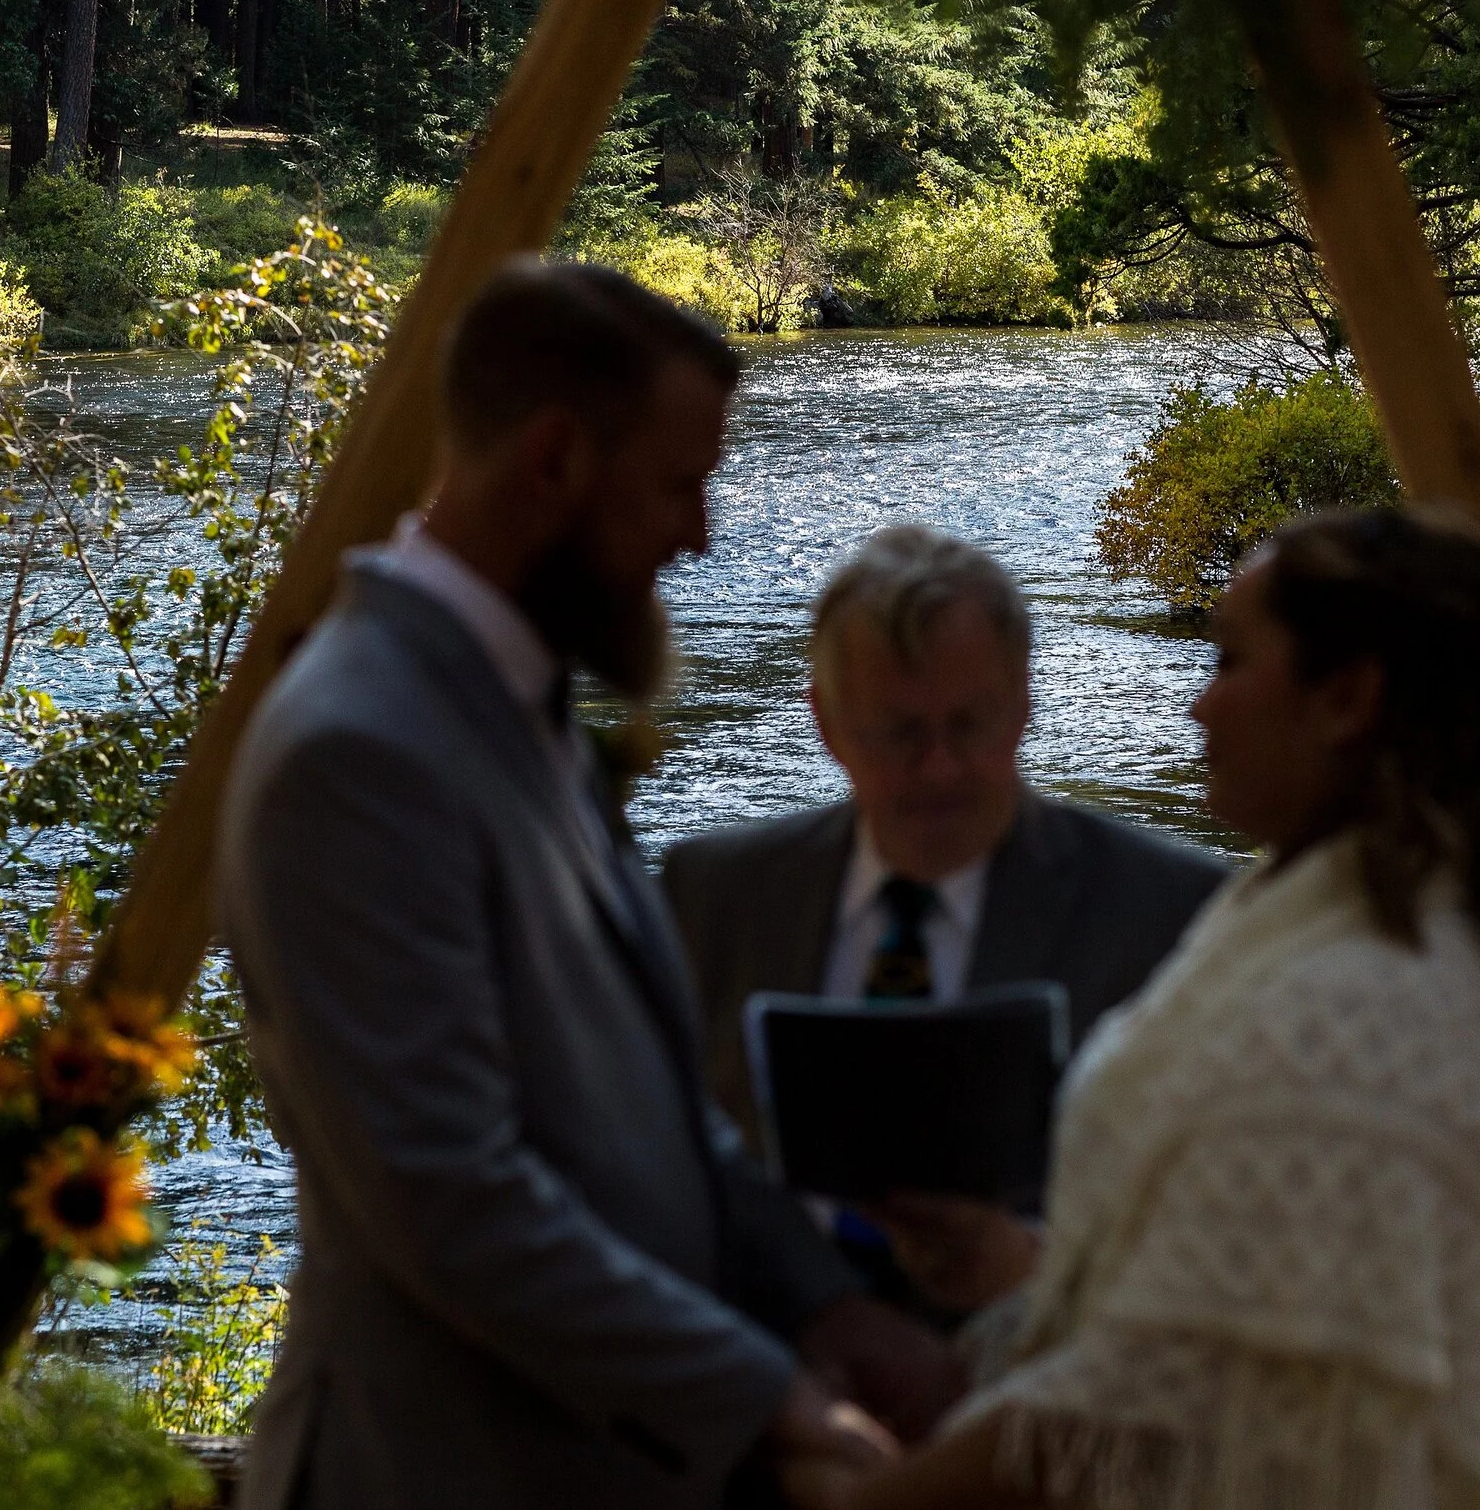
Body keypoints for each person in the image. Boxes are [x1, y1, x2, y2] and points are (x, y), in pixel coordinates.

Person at [217, 259, 956, 1510]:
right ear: (554, 458)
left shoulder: (515, 701)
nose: (699, 534)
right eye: (677, 484)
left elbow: (655, 1111)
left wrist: (831, 1311)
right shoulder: (357, 752)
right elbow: (448, 1197)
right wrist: (768, 1398)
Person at [787, 505, 1480, 1510]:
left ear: (1346, 698)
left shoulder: (1359, 1008)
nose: (1197, 705)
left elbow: (1135, 1412)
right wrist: (1014, 1278)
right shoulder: (1312, 930)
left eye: (1229, 660)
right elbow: (1216, 1336)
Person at [660, 525, 1224, 1309]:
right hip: (771, 1356)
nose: (940, 767)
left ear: (1023, 703)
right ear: (825, 723)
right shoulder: (715, 893)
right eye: (900, 732)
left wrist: (1033, 1268)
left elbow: (1217, 1227)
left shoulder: (1168, 910)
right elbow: (662, 1161)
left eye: (969, 724)